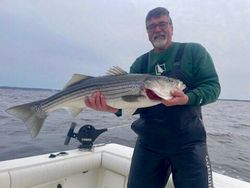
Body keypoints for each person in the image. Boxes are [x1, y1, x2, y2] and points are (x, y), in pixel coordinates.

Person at [84, 7, 220, 188]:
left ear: (171, 27)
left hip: (189, 144)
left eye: (162, 24)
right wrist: (113, 108)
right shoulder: (140, 64)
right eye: (151, 27)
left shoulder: (193, 52)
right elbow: (136, 105)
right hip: (149, 144)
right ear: (147, 33)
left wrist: (188, 98)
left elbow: (212, 86)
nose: (157, 29)